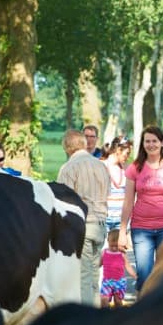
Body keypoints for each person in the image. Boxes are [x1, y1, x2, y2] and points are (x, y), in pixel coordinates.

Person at [118, 125, 163, 293]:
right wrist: (122, 231)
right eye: (147, 141)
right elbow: (128, 201)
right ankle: (144, 313)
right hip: (141, 229)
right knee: (144, 276)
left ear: (162, 143)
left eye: (154, 141)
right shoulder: (134, 168)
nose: (151, 144)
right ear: (143, 144)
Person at [57, 129, 111, 305]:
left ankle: (87, 320)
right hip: (101, 224)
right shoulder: (101, 166)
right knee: (94, 275)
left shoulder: (69, 168)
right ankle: (95, 316)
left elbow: (63, 201)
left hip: (83, 226)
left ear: (67, 147)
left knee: (83, 277)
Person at [102, 138, 132, 233]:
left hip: (121, 220)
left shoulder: (127, 168)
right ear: (119, 150)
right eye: (127, 153)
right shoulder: (100, 166)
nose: (127, 157)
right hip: (104, 219)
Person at [99, 229, 136, 308]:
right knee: (104, 301)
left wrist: (135, 275)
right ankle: (104, 316)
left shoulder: (122, 254)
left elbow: (128, 266)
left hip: (119, 282)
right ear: (108, 241)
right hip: (107, 282)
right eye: (111, 246)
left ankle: (118, 316)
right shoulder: (104, 252)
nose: (114, 248)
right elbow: (99, 264)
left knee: (118, 301)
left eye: (116, 246)